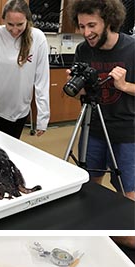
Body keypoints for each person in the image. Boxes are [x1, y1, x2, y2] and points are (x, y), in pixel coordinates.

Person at [67, 0, 135, 200]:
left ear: (108, 21)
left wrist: (124, 86)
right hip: (92, 129)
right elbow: (83, 92)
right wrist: (77, 87)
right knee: (89, 184)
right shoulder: (83, 50)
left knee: (126, 191)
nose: (86, 33)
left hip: (126, 133)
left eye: (92, 25)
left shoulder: (132, 49)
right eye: (81, 26)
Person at [0, 0, 50, 140]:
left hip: (18, 113)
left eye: (20, 25)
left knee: (7, 155)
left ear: (27, 20)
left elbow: (42, 81)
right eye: (10, 24)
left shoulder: (38, 38)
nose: (14, 30)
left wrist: (43, 117)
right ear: (3, 19)